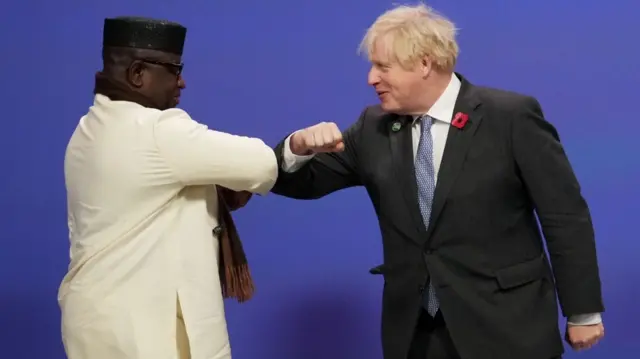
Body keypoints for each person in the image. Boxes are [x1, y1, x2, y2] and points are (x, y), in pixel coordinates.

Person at [270, 4, 604, 359]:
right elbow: (298, 183)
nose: (371, 78)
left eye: (383, 66)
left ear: (425, 64)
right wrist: (297, 148)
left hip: (507, 329)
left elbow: (564, 215)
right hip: (417, 336)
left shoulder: (509, 117)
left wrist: (582, 310)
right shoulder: (372, 128)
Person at [59, 16, 278, 359]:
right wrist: (293, 147)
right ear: (137, 74)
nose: (183, 81)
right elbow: (261, 164)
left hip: (94, 321)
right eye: (174, 69)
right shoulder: (158, 130)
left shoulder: (85, 131)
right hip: (147, 327)